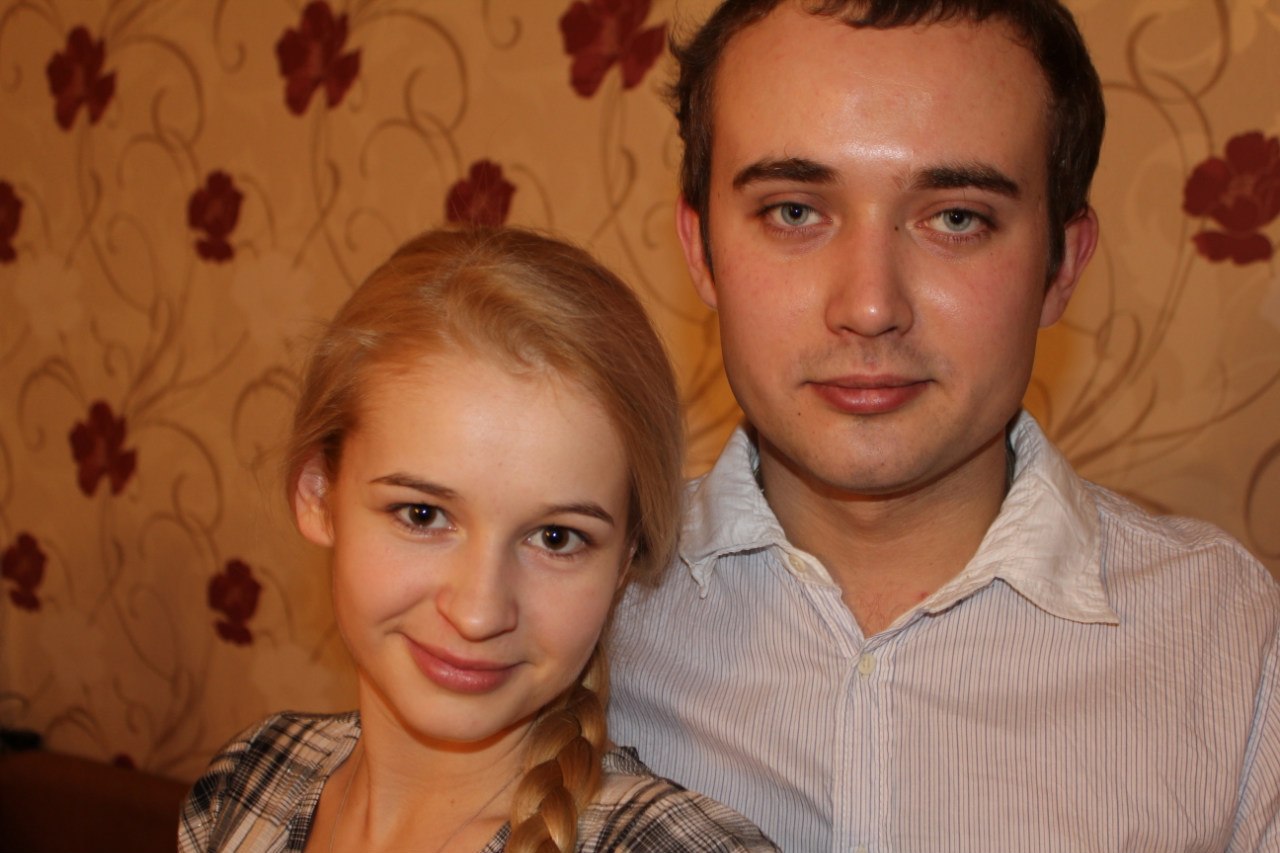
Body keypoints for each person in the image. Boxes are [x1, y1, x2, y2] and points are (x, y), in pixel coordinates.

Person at [607, 1, 1280, 851]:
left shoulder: (1236, 645)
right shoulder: (559, 612)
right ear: (701, 249)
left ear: (1061, 266)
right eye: (794, 212)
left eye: (957, 218)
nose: (870, 306)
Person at [178, 227, 778, 852]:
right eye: (423, 516)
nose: (478, 613)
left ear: (625, 558)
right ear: (318, 494)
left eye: (556, 538)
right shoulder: (247, 784)